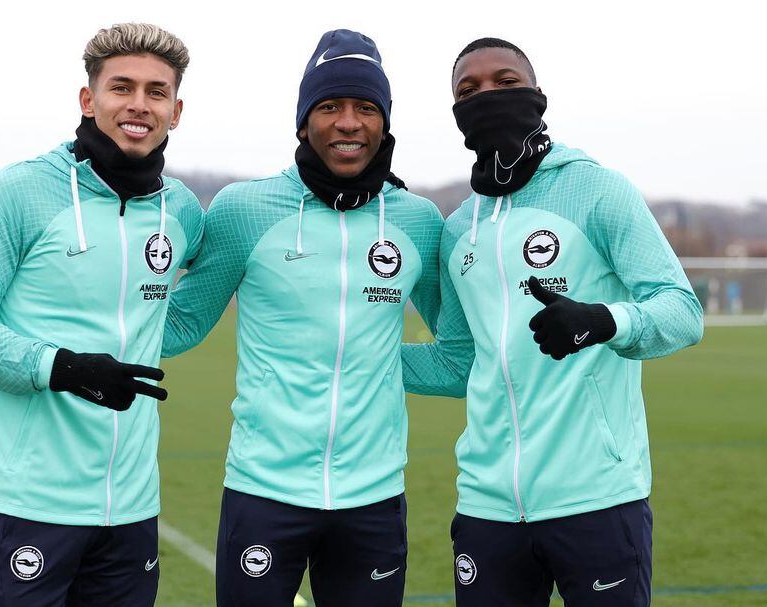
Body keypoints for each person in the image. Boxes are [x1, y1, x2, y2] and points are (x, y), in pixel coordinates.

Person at [400, 38, 703, 607]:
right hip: (486, 505)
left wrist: (602, 321)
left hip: (598, 498)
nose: (486, 95)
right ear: (456, 114)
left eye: (505, 82)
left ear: (539, 96)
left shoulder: (597, 189)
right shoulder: (459, 229)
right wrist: (352, 356)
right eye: (469, 90)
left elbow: (681, 311)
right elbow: (458, 362)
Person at [162, 29, 442, 607]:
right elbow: (182, 324)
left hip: (373, 496)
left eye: (367, 108)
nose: (348, 122)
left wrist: (377, 366)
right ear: (302, 120)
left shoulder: (418, 221)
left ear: (385, 123)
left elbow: (460, 355)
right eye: (330, 106)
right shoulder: (245, 209)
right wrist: (66, 340)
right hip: (262, 491)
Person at [0, 23, 203, 607]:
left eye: (157, 92)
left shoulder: (181, 209)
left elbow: (185, 306)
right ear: (89, 99)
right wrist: (62, 367)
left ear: (176, 110)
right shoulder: (18, 193)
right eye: (122, 87)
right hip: (28, 504)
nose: (139, 105)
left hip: (133, 507)